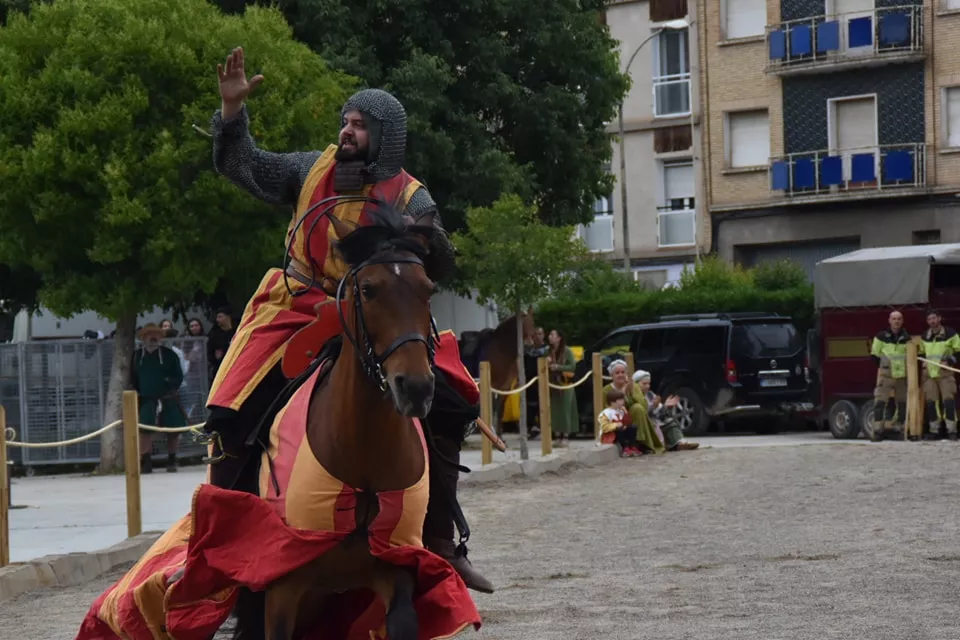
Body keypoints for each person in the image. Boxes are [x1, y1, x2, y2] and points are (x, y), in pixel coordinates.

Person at [204, 47, 492, 592]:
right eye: (346, 121)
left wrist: (423, 236)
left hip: (380, 312)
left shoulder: (411, 195)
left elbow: (441, 263)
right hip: (298, 303)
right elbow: (243, 166)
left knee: (453, 400)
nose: (347, 130)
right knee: (230, 408)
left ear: (384, 136)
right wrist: (232, 114)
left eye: (359, 125)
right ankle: (224, 548)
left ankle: (440, 542)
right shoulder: (310, 170)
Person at [132, 324, 187, 473]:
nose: (153, 337)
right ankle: (146, 461)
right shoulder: (137, 356)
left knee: (173, 429)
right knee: (144, 429)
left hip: (167, 397)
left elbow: (178, 375)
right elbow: (133, 377)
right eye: (149, 334)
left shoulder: (169, 355)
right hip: (146, 398)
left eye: (156, 334)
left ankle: (172, 459)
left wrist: (169, 384)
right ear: (143, 338)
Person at [603, 359, 664, 454]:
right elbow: (608, 408)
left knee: (638, 408)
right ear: (612, 375)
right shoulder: (606, 390)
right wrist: (623, 392)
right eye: (617, 373)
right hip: (617, 418)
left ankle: (641, 442)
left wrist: (631, 392)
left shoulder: (634, 386)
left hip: (633, 417)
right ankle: (627, 445)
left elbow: (644, 405)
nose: (620, 375)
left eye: (623, 372)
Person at [919, 309, 960, 441]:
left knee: (948, 402)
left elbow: (958, 351)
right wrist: (923, 361)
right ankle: (934, 430)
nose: (932, 321)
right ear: (927, 321)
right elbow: (921, 353)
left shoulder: (950, 333)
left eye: (934, 318)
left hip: (945, 373)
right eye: (930, 319)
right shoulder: (925, 336)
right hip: (929, 375)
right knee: (932, 403)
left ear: (939, 318)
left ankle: (952, 430)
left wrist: (950, 360)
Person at [634, 370, 700, 451]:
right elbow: (642, 412)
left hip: (655, 422)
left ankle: (680, 443)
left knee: (670, 422)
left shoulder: (650, 395)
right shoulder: (634, 396)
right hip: (646, 424)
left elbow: (660, 413)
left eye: (648, 384)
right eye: (644, 384)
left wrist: (665, 406)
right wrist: (653, 406)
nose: (647, 386)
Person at [870, 310, 911, 442]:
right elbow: (874, 355)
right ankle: (877, 431)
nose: (896, 321)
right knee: (880, 402)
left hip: (901, 376)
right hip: (886, 376)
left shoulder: (907, 338)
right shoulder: (881, 336)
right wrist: (884, 368)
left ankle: (898, 429)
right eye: (894, 319)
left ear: (902, 321)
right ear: (889, 320)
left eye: (899, 319)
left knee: (902, 404)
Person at [547, 329, 579, 442]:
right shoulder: (548, 351)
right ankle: (556, 434)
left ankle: (565, 434)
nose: (549, 336)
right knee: (555, 410)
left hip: (565, 383)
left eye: (552, 335)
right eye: (550, 335)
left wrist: (559, 367)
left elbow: (572, 367)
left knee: (565, 409)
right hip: (552, 384)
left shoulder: (567, 351)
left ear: (559, 338)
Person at [597, 388, 641, 457]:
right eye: (620, 400)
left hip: (622, 431)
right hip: (611, 434)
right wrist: (615, 425)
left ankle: (632, 446)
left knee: (633, 426)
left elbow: (628, 423)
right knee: (620, 429)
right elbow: (604, 427)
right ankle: (625, 448)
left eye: (622, 399)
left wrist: (626, 413)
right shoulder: (606, 413)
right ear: (612, 402)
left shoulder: (620, 411)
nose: (622, 402)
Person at [206, 307, 235, 382]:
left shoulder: (237, 332)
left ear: (228, 317)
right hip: (220, 369)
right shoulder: (214, 335)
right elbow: (209, 352)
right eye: (217, 317)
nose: (217, 320)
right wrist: (215, 358)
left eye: (220, 317)